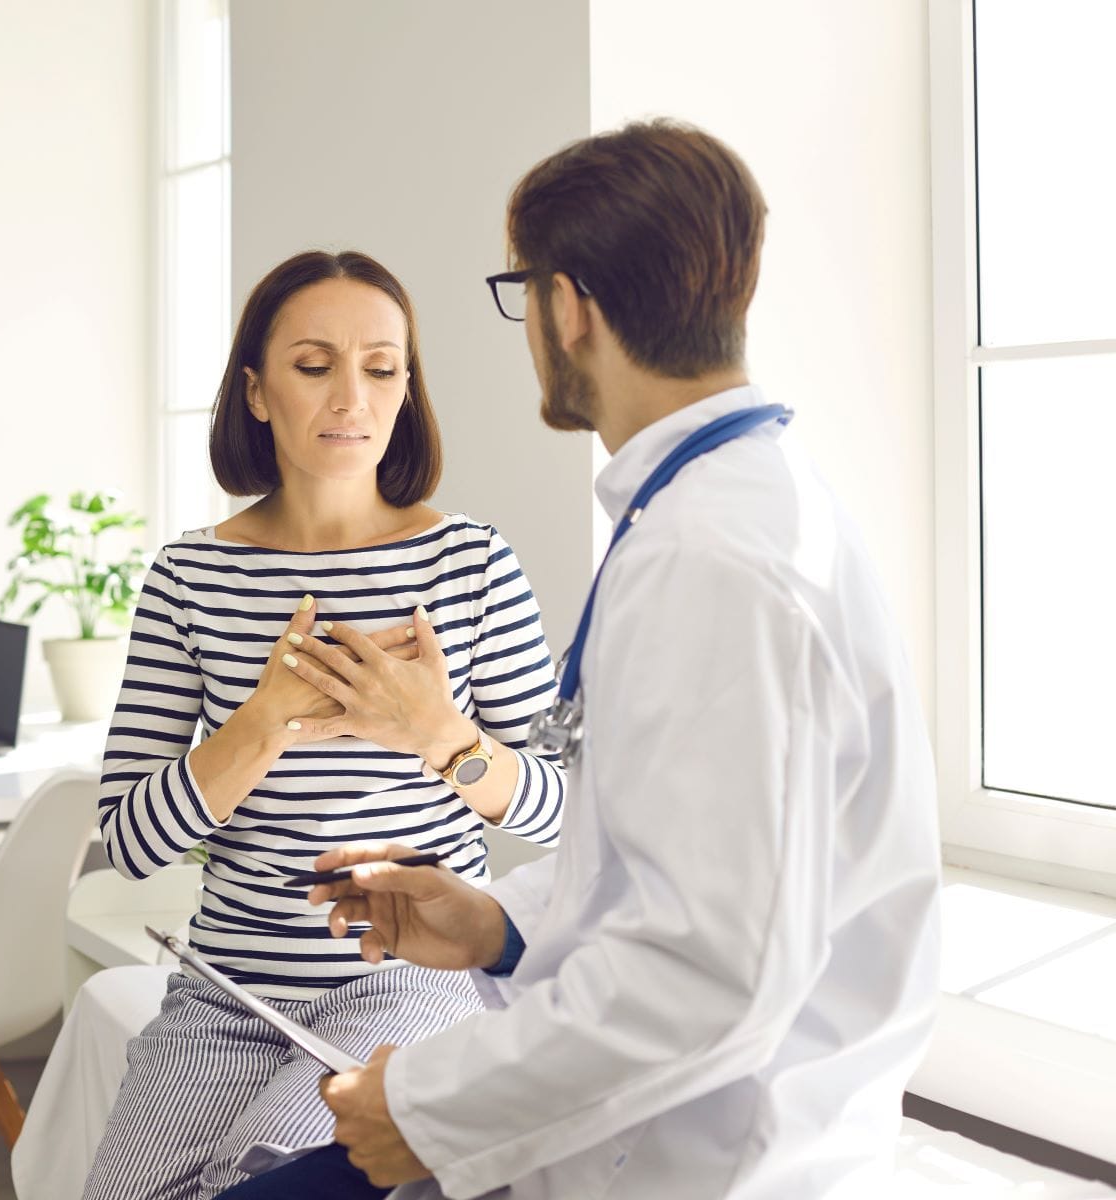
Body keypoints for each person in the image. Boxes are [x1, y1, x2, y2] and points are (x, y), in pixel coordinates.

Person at [224, 120, 942, 1199]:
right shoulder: (735, 511)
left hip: (708, 1155)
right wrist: (499, 925)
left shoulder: (712, 560)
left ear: (568, 307)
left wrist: (420, 1109)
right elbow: (682, 862)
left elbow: (704, 972)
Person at [81, 249, 569, 1200]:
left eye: (382, 368)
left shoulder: (470, 565)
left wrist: (444, 737)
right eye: (315, 366)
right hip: (221, 996)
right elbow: (129, 845)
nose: (352, 396)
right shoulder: (191, 577)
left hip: (406, 988)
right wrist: (261, 724)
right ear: (257, 393)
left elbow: (559, 812)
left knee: (268, 1187)